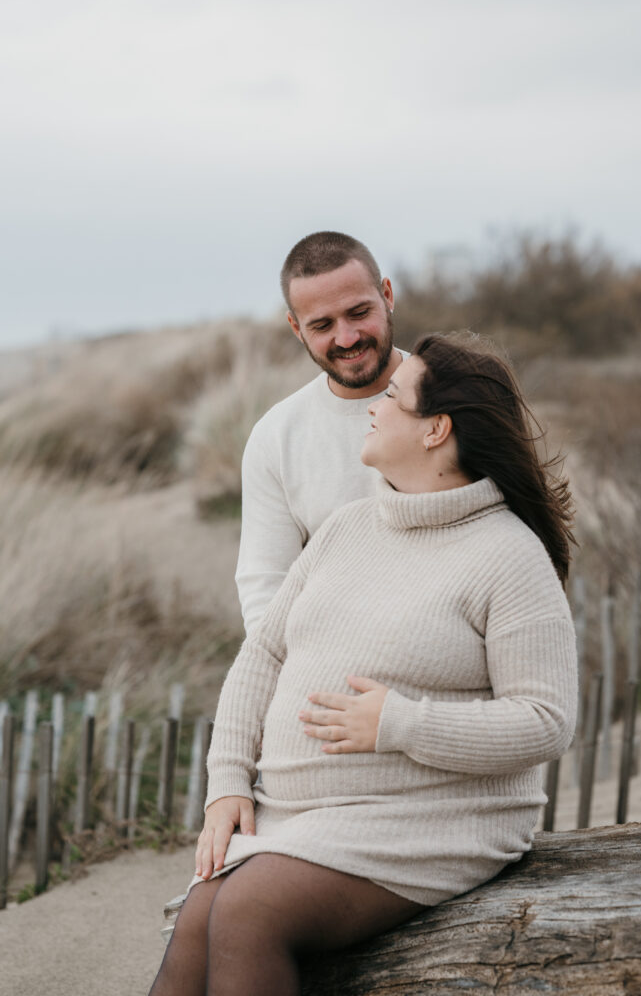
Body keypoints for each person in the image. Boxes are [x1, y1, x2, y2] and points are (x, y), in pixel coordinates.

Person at [149, 332, 578, 996]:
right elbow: (263, 650)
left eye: (395, 394)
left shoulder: (506, 556)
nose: (374, 403)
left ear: (435, 429)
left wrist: (398, 723)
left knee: (246, 911)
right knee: (200, 917)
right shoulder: (349, 526)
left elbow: (545, 721)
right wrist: (227, 780)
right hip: (301, 814)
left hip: (429, 819)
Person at [236, 230, 406, 633]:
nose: (346, 338)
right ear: (296, 328)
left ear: (387, 295)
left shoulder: (460, 398)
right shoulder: (275, 438)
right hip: (334, 672)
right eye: (323, 324)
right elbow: (266, 591)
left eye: (359, 312)